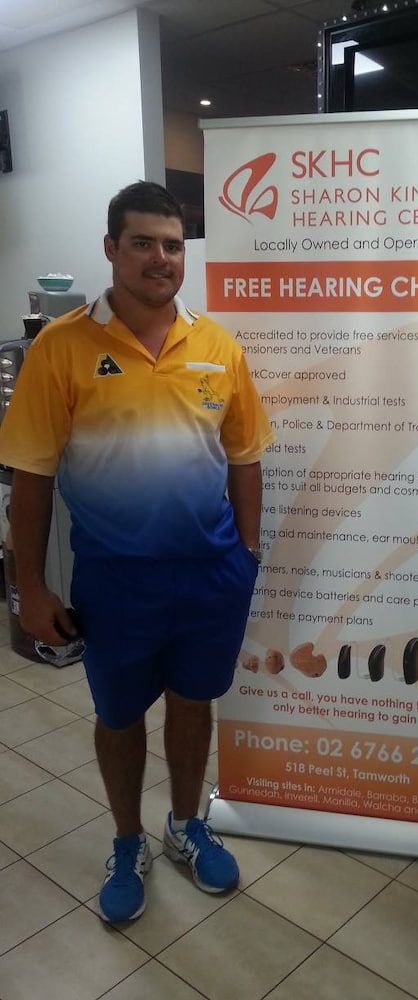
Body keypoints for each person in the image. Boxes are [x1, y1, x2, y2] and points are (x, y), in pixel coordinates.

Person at [0, 181, 273, 923]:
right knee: (118, 716)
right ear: (111, 249)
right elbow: (31, 475)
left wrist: (246, 556)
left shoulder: (218, 345)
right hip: (115, 582)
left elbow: (245, 456)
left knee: (193, 704)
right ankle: (128, 841)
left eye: (174, 244)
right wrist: (29, 586)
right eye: (144, 242)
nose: (161, 258)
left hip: (211, 574)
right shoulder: (61, 349)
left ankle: (187, 825)